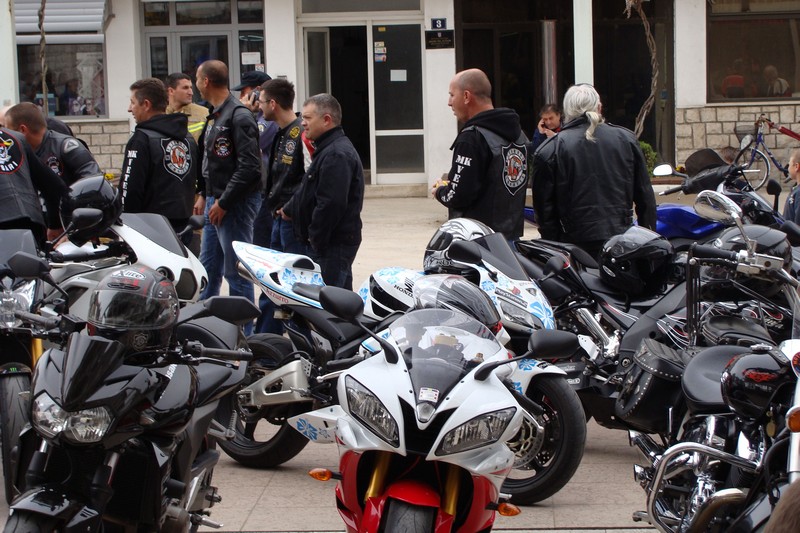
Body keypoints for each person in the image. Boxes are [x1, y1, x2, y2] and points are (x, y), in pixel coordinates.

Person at [532, 83, 657, 259]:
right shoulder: (626, 140)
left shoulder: (551, 149)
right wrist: (644, 243)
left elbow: (545, 214)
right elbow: (646, 200)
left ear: (566, 112)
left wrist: (557, 247)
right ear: (599, 107)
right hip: (620, 243)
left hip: (574, 248)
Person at [195, 60, 262, 331]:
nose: (196, 85)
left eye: (197, 79)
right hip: (215, 200)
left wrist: (223, 202)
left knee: (236, 272)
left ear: (206, 81)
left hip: (234, 204)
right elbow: (211, 162)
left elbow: (250, 168)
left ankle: (245, 336)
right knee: (208, 267)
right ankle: (204, 328)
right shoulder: (216, 114)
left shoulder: (238, 116)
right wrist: (204, 193)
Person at [431, 68, 529, 241]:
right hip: (510, 239)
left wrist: (440, 191)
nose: (449, 102)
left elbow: (459, 196)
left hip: (478, 240)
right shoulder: (520, 136)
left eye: (452, 95)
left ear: (466, 96)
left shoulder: (472, 138)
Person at [280, 93, 364, 290]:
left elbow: (331, 204)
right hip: (329, 244)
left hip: (332, 245)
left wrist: (315, 238)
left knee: (327, 300)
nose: (303, 123)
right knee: (338, 299)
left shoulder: (336, 154)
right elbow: (309, 189)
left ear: (326, 120)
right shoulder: (326, 150)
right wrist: (290, 209)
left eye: (308, 118)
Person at [254, 78, 308, 333]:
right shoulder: (279, 132)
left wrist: (290, 209)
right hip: (276, 217)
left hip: (291, 222)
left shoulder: (301, 134)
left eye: (262, 102)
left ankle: (297, 337)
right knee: (271, 283)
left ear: (273, 104)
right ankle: (266, 339)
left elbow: (309, 180)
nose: (259, 107)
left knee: (293, 285)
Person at [119, 78, 198, 238]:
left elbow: (130, 188)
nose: (129, 109)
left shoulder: (141, 139)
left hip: (149, 230)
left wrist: (124, 222)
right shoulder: (187, 137)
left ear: (146, 104)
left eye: (133, 102)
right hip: (184, 227)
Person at [4, 102, 101, 186]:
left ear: (22, 130)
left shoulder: (68, 147)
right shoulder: (15, 156)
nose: (5, 135)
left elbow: (94, 182)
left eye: (8, 130)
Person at [0, 126, 68, 245]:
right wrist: (56, 225)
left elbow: (53, 185)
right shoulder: (17, 138)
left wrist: (54, 225)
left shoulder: (18, 138)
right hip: (29, 221)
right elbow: (54, 185)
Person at [165, 72, 209, 143]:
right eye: (185, 88)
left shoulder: (205, 114)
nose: (191, 93)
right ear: (171, 91)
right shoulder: (160, 115)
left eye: (191, 88)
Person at [782, 148, 800, 224]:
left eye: (789, 165)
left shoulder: (798, 194)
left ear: (796, 167)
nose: (788, 168)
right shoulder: (796, 189)